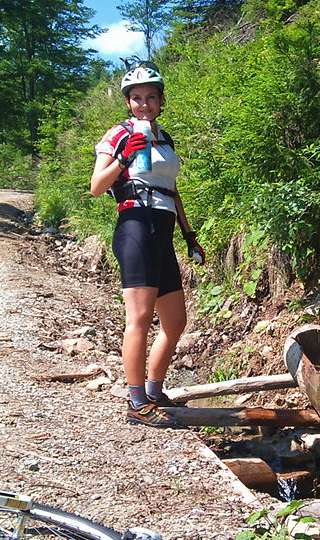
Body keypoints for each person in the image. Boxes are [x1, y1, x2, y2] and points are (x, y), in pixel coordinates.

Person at [90, 59, 204, 428]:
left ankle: (154, 391)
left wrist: (189, 235)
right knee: (138, 318)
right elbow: (96, 187)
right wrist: (124, 157)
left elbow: (173, 191)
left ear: (160, 101)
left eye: (150, 97)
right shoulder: (118, 135)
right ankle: (136, 402)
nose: (143, 104)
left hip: (164, 229)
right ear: (128, 102)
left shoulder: (165, 138)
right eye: (136, 98)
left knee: (175, 321)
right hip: (135, 226)